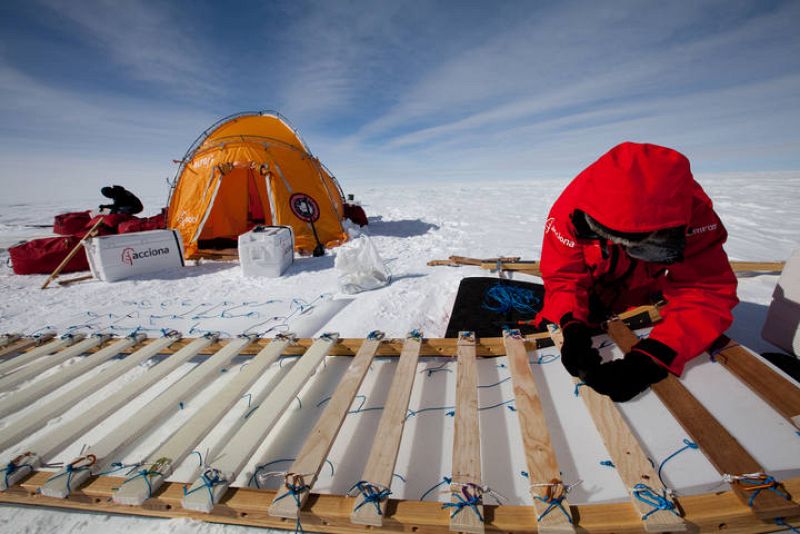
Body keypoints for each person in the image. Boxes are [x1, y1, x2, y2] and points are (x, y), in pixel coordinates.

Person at [537, 142, 738, 401]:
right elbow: (564, 278)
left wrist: (654, 357)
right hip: (589, 295)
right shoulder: (571, 213)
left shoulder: (695, 218)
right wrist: (572, 325)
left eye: (642, 248)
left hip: (642, 300)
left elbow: (706, 292)